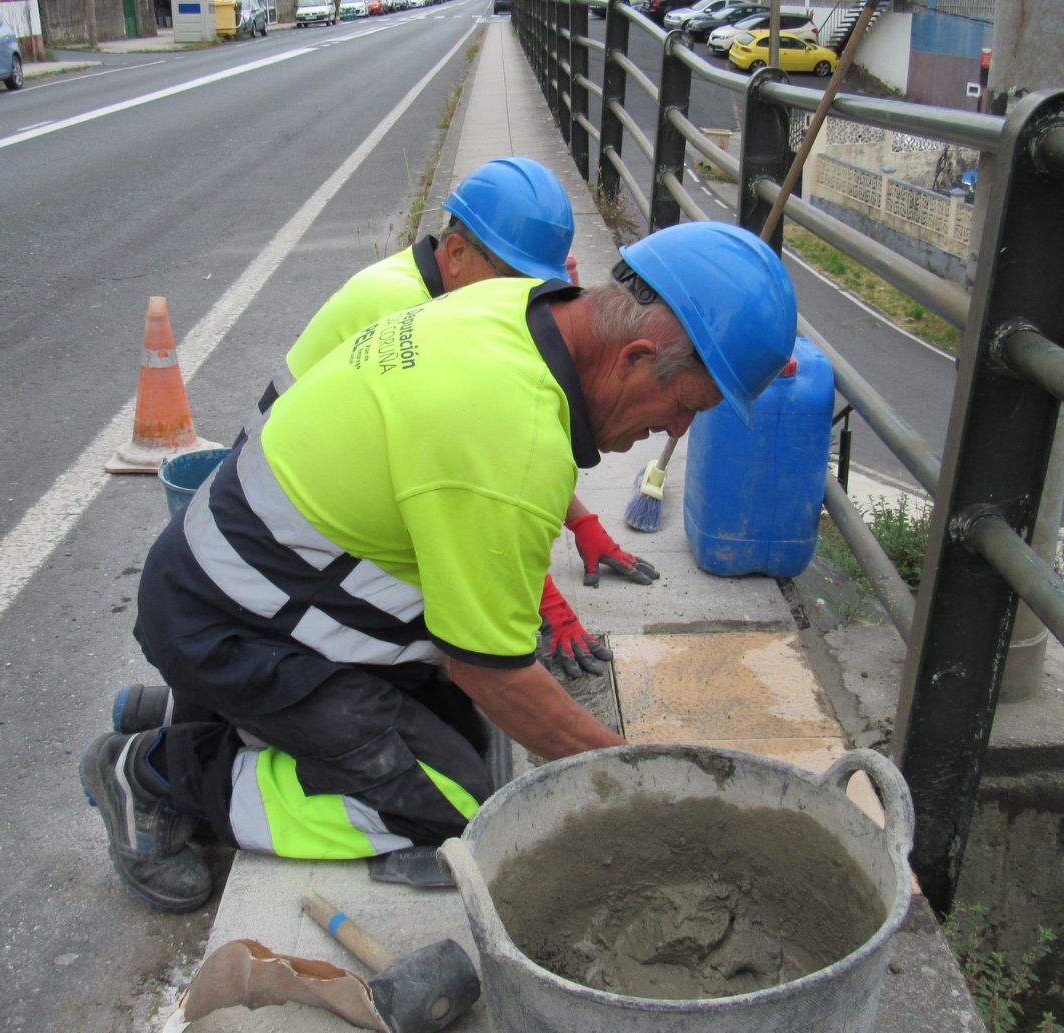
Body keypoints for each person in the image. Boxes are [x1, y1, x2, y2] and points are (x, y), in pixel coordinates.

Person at [80, 221, 799, 912]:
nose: (676, 431)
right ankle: (156, 775)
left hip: (228, 583)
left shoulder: (519, 306)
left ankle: (198, 708)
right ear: (636, 355)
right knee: (456, 806)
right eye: (686, 405)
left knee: (466, 737)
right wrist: (635, 778)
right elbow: (490, 670)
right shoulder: (510, 436)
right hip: (233, 625)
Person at [112, 160, 650, 747]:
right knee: (413, 731)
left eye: (535, 285)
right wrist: (542, 605)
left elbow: (500, 457)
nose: (525, 301)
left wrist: (582, 523)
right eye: (512, 280)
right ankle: (180, 745)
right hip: (279, 546)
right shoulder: (403, 307)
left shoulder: (448, 297)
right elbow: (473, 488)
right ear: (457, 251)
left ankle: (179, 719)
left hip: (290, 528)